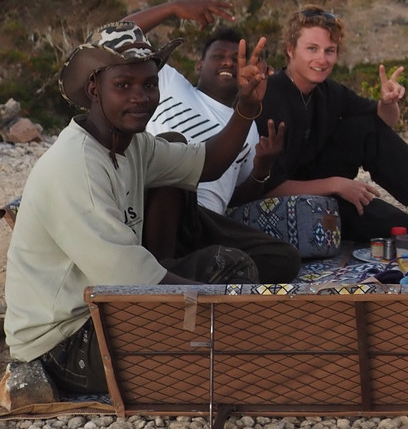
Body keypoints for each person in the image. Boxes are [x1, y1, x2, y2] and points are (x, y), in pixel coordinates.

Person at [4, 21, 269, 397]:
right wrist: (228, 308)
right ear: (94, 89)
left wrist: (245, 108)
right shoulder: (75, 164)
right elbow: (135, 284)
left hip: (110, 305)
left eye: (149, 84)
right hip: (63, 342)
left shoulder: (133, 144)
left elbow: (207, 163)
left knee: (232, 266)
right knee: (221, 345)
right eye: (123, 85)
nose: (140, 97)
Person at [127, 0, 300, 283]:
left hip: (205, 221)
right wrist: (172, 8)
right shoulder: (169, 83)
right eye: (219, 56)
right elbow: (117, 37)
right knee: (173, 146)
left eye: (236, 59)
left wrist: (261, 170)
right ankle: (158, 272)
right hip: (157, 208)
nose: (228, 62)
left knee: (285, 258)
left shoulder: (246, 124)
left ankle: (185, 271)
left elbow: (236, 194)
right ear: (199, 65)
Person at [257, 6, 408, 241]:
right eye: (312, 49)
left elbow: (381, 124)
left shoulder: (329, 91)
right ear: (290, 50)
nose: (322, 60)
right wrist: (336, 185)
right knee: (402, 226)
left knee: (365, 125)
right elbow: (266, 188)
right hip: (282, 201)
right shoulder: (270, 97)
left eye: (329, 51)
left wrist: (388, 102)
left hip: (321, 181)